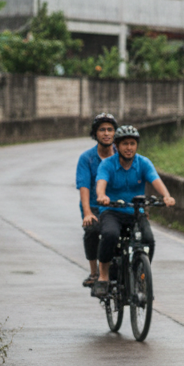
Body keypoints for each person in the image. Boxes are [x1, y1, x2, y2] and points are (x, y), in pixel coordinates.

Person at [92, 125, 176, 299]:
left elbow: (155, 180)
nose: (129, 148)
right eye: (124, 144)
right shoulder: (107, 164)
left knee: (149, 240)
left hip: (135, 212)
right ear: (117, 146)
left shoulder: (143, 163)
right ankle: (103, 276)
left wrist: (166, 196)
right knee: (109, 234)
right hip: (112, 211)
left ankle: (141, 274)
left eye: (132, 143)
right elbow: (101, 183)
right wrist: (102, 196)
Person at [76, 112, 117, 289]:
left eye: (110, 129)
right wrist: (87, 213)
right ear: (95, 134)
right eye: (102, 130)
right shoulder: (87, 158)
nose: (106, 133)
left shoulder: (122, 154)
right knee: (92, 231)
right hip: (94, 206)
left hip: (117, 207)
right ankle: (94, 272)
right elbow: (84, 186)